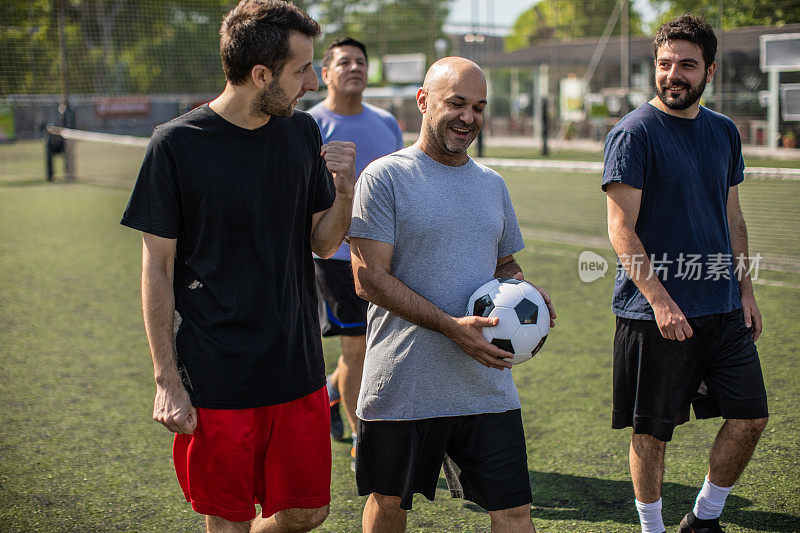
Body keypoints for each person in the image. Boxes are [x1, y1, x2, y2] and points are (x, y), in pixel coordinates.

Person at [120, 1, 357, 532]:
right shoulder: (176, 145)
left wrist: (344, 192)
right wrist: (166, 380)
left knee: (307, 511)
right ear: (260, 75)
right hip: (216, 372)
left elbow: (323, 243)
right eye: (302, 70)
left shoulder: (300, 134)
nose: (314, 82)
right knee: (226, 520)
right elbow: (156, 269)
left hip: (296, 365)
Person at [348, 57, 556, 533]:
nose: (469, 117)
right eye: (456, 103)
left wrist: (525, 294)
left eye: (479, 107)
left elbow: (505, 265)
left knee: (515, 510)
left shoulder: (491, 184)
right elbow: (368, 278)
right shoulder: (385, 177)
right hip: (405, 383)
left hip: (486, 384)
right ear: (424, 101)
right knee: (390, 503)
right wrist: (451, 329)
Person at [603, 14, 768, 533]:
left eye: (687, 65)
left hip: (722, 307)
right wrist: (659, 300)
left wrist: (745, 289)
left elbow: (732, 217)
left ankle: (704, 518)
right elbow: (621, 229)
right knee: (653, 432)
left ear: (709, 71)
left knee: (751, 416)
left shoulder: (723, 132)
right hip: (656, 315)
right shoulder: (633, 133)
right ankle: (653, 529)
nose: (674, 74)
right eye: (665, 64)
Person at [307, 37, 404, 460]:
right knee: (356, 347)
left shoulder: (387, 122)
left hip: (386, 257)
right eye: (343, 62)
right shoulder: (309, 125)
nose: (354, 68)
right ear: (325, 73)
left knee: (385, 344)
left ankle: (331, 389)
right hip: (336, 259)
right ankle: (361, 440)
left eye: (361, 61)